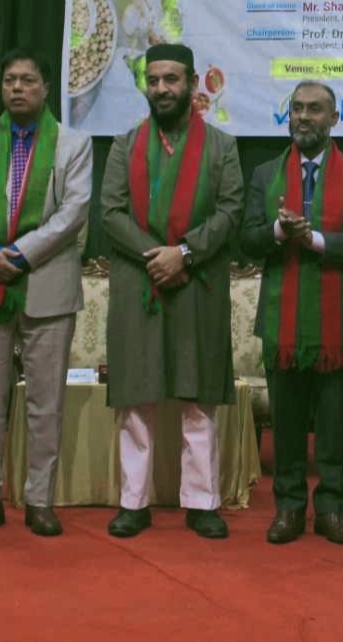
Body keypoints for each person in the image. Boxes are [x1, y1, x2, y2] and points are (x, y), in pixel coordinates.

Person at [99, 43, 243, 539]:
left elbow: (230, 211)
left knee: (196, 397)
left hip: (197, 282)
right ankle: (133, 503)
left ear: (193, 83)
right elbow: (111, 212)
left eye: (171, 79)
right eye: (154, 80)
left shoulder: (222, 147)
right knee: (136, 399)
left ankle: (201, 503)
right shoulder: (125, 145)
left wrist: (183, 254)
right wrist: (158, 257)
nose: (161, 88)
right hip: (139, 281)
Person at [0, 49, 92, 537]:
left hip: (47, 286)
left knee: (45, 405)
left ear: (46, 88)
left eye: (28, 80)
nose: (17, 88)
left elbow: (74, 212)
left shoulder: (74, 144)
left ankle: (39, 500)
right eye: (10, 79)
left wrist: (21, 253)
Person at [240, 80, 343, 546]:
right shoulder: (265, 174)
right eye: (297, 108)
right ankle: (288, 508)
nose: (303, 116)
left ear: (334, 118)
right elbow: (247, 238)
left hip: (337, 322)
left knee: (335, 424)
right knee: (286, 423)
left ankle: (332, 509)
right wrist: (280, 233)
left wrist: (315, 240)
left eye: (315, 109)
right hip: (281, 322)